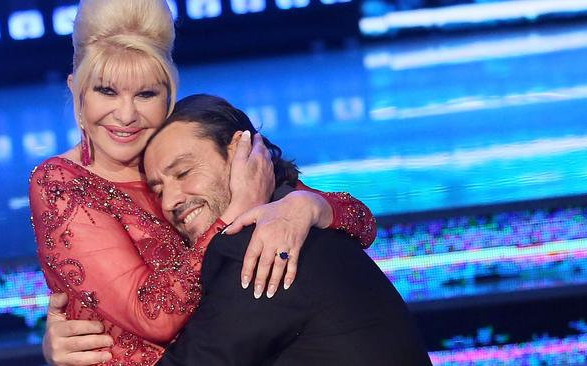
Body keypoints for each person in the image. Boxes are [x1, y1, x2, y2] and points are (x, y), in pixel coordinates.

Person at [30, 1, 377, 365]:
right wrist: (236, 211)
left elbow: (360, 222)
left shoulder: (188, 157)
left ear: (170, 94)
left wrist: (305, 207)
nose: (127, 114)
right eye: (107, 91)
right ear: (76, 90)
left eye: (145, 93)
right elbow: (154, 314)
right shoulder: (60, 182)